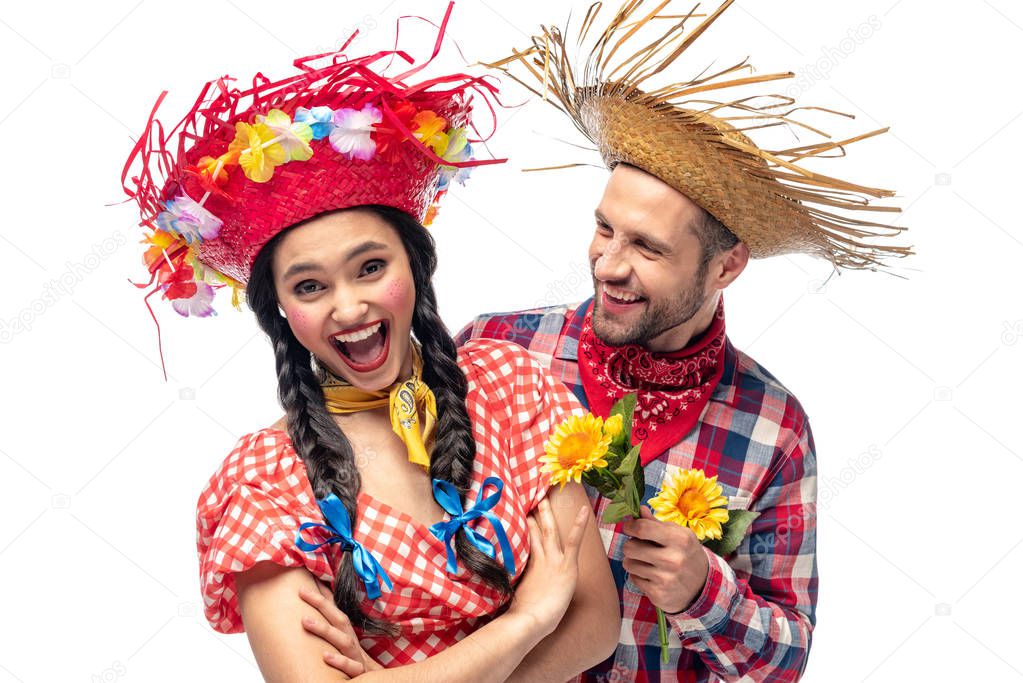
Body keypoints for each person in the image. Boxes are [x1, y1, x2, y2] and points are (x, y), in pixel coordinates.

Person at [121, 6, 620, 681]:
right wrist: (529, 618)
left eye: (370, 267)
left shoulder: (514, 386)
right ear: (281, 315)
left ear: (414, 265)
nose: (349, 306)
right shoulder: (263, 485)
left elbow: (592, 625)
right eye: (309, 286)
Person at [452, 1, 912, 681]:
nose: (608, 263)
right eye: (605, 228)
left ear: (725, 266)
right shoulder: (496, 348)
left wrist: (705, 591)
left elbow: (785, 661)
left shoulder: (772, 425)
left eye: (646, 246)